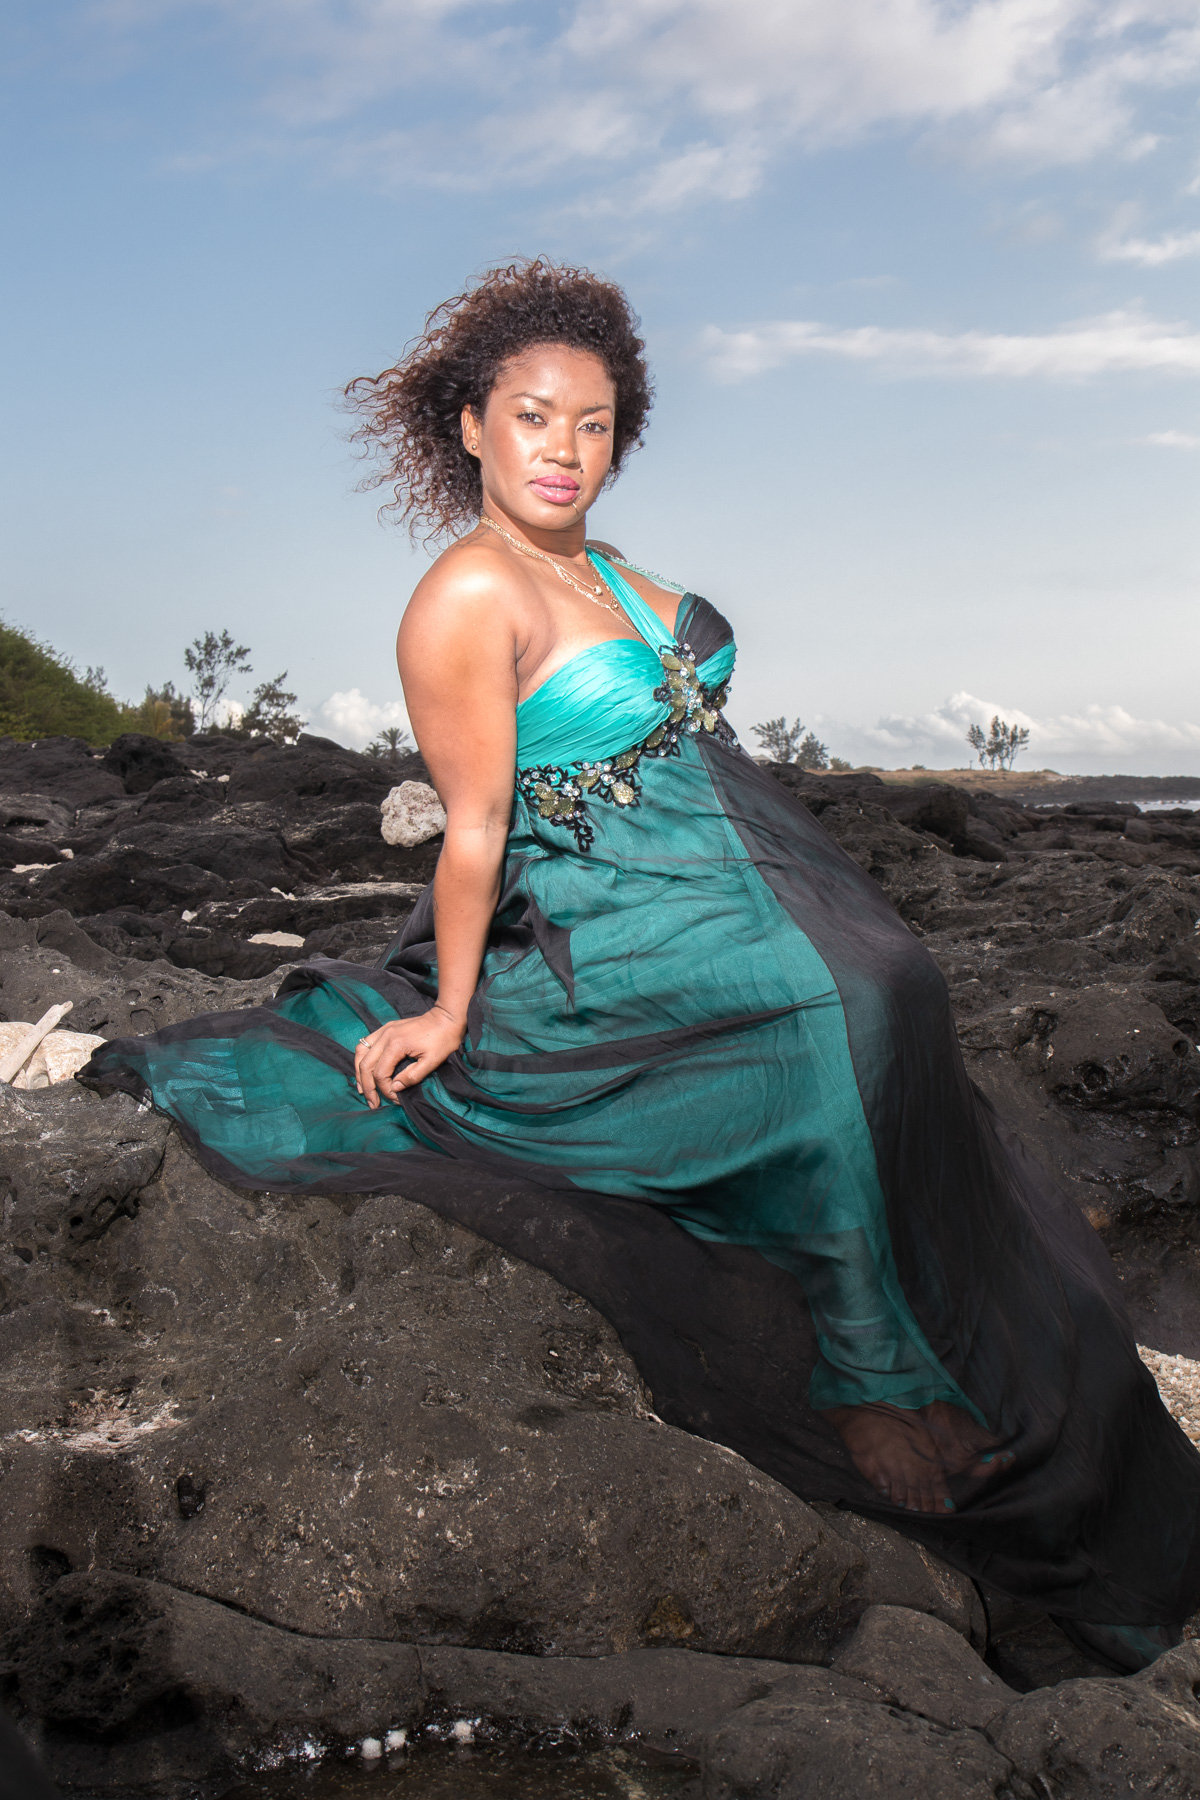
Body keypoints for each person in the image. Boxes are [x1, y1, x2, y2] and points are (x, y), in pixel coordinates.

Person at [82, 258, 1200, 1673]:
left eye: (594, 423)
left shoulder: (604, 570)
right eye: (533, 416)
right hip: (599, 919)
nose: (563, 447)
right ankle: (870, 1372)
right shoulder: (463, 597)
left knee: (897, 987)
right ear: (470, 424)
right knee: (841, 1008)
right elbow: (476, 825)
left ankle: (947, 1340)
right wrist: (448, 1004)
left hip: (721, 879)